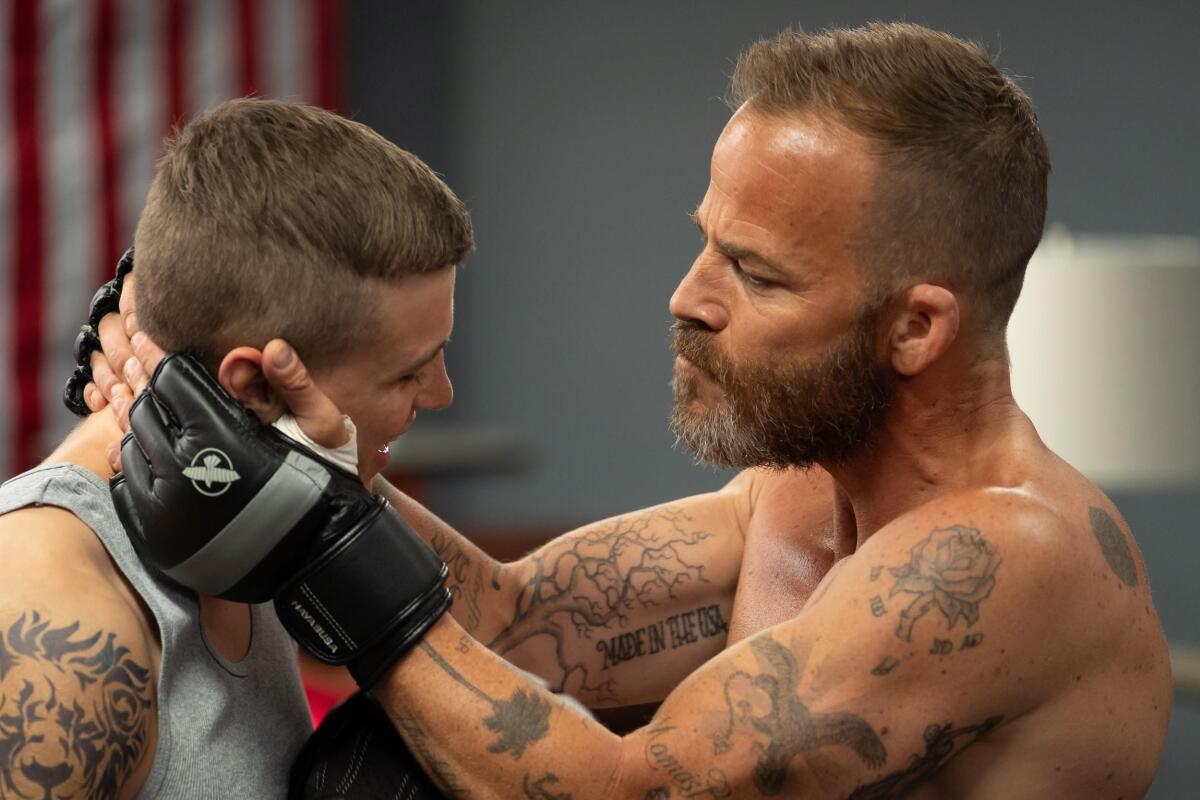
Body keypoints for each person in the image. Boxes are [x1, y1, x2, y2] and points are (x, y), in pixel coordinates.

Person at [101, 22, 1172, 798]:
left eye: (755, 272)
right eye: (707, 238)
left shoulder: (1011, 559)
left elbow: (622, 789)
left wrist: (315, 524)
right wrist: (288, 445)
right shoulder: (794, 497)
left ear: (916, 328)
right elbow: (516, 624)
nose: (688, 296)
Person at [0, 98, 474, 798]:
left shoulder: (254, 519)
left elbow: (524, 607)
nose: (440, 395)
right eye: (406, 371)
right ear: (254, 383)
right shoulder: (59, 628)